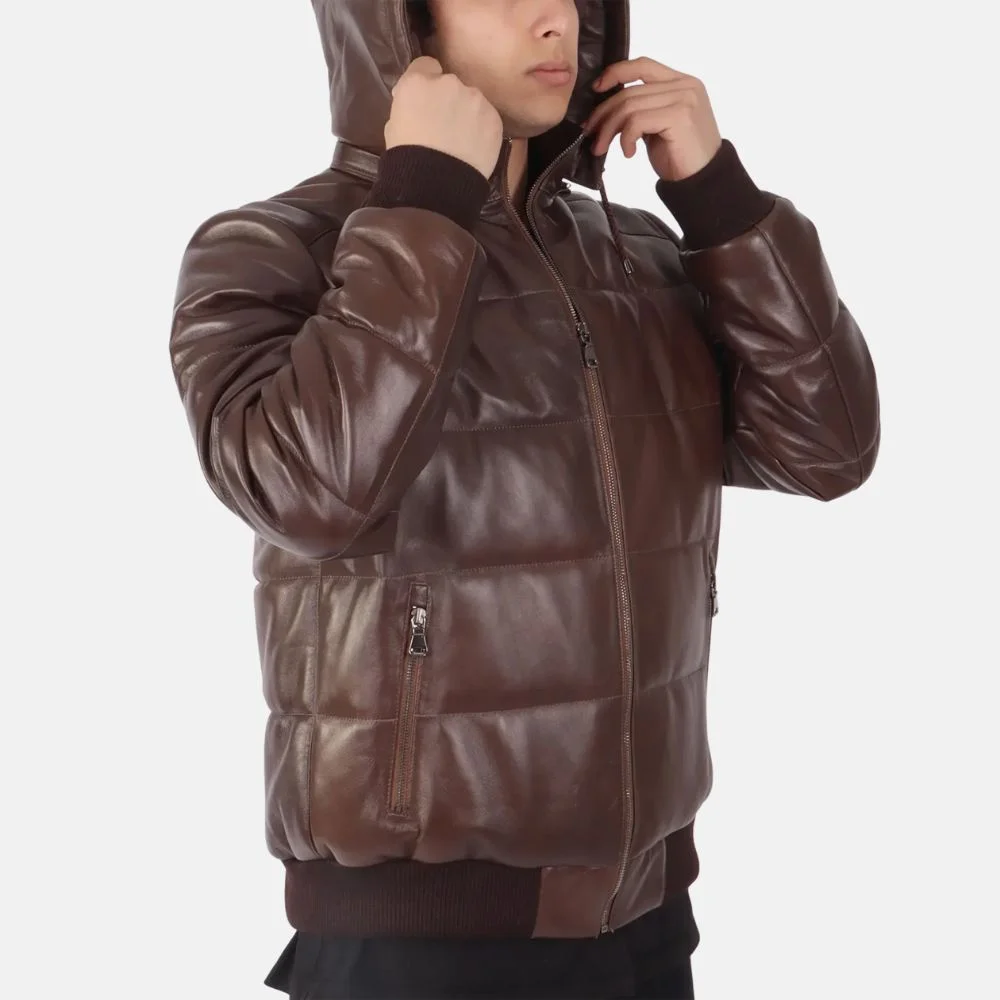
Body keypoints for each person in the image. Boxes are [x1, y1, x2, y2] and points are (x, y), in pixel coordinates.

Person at [168, 0, 881, 996]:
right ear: (398, 23)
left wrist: (718, 198)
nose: (555, 17)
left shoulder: (634, 255)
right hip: (419, 942)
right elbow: (311, 490)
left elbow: (828, 447)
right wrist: (423, 199)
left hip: (646, 918)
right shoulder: (271, 251)